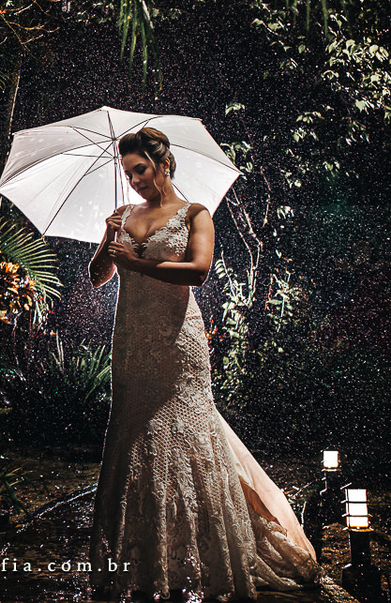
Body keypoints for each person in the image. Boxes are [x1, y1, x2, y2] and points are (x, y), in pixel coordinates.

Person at [87, 127, 319, 602]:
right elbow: (97, 277)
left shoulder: (196, 214)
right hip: (131, 340)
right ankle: (148, 557)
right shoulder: (124, 216)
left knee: (189, 432)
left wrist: (136, 263)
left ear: (163, 164)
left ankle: (206, 550)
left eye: (140, 169)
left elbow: (198, 270)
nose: (133, 180)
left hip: (177, 341)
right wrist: (109, 236)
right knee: (133, 436)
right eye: (127, 172)